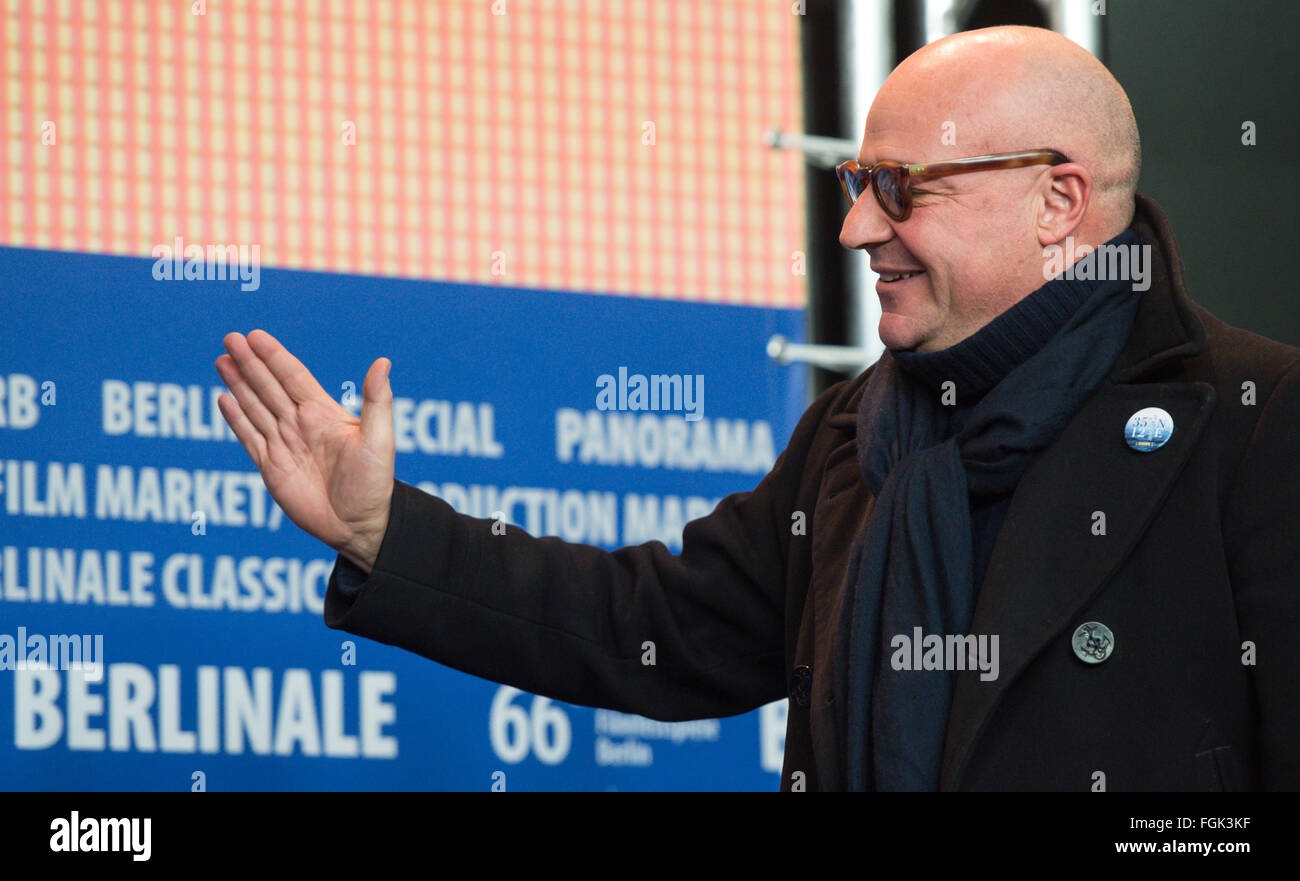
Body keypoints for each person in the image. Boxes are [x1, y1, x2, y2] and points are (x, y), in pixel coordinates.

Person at [214, 26, 1299, 791]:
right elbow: (651, 629)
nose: (856, 232)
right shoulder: (852, 433)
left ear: (1058, 200)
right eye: (851, 184)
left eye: (902, 189)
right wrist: (383, 531)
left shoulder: (1258, 419)